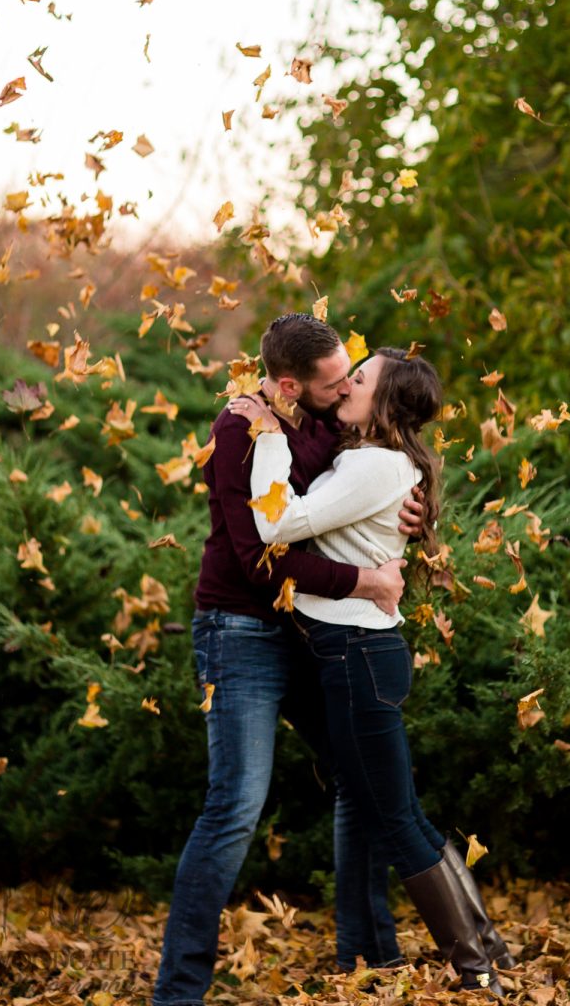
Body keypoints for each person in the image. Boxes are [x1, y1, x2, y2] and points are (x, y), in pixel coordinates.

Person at [153, 315, 424, 1006]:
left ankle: (367, 955)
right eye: (332, 383)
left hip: (309, 630)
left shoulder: (331, 420)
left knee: (356, 781)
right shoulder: (242, 428)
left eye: (348, 377)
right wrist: (362, 582)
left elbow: (359, 489)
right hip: (239, 629)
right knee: (235, 806)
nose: (344, 392)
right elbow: (258, 555)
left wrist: (408, 509)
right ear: (287, 384)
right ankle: (178, 992)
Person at [229, 347, 515, 996]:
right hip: (357, 651)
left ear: (383, 402)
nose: (347, 384)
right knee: (384, 808)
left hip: (356, 653)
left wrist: (268, 435)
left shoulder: (371, 463)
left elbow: (277, 521)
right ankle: (434, 949)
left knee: (395, 817)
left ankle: (476, 968)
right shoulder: (382, 460)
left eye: (359, 379)